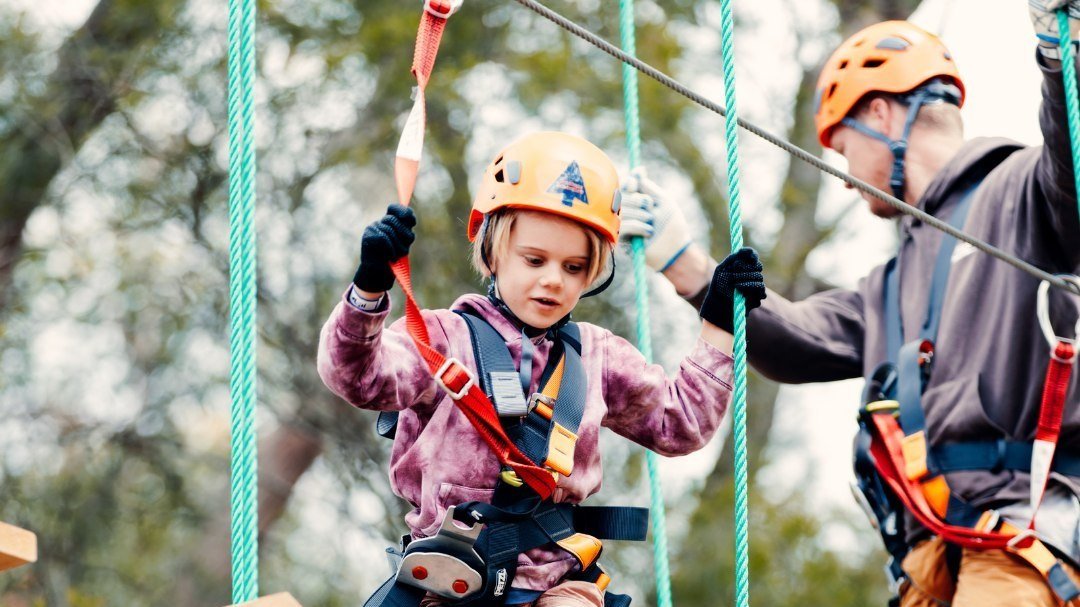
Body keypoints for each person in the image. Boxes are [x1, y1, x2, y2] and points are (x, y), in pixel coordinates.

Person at [617, 8, 1080, 607]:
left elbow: (1072, 151)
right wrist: (683, 262)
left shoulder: (1026, 194)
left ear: (882, 115)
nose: (841, 178)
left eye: (841, 149)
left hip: (1027, 535)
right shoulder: (890, 285)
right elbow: (798, 339)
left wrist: (1059, 54)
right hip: (931, 558)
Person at [317, 131, 766, 607]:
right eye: (534, 260)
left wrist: (719, 325)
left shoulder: (598, 357)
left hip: (557, 583)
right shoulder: (442, 339)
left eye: (574, 268)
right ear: (493, 251)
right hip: (451, 583)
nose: (553, 280)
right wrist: (368, 292)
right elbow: (357, 376)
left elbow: (680, 424)